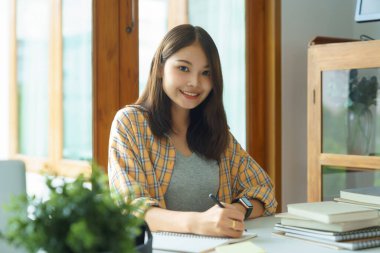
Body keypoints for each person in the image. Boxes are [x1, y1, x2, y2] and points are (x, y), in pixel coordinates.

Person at [108, 24, 277, 238]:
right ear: (160, 68)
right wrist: (197, 222)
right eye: (184, 68)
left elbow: (263, 190)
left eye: (206, 73)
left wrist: (240, 209)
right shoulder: (130, 124)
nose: (195, 83)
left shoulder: (216, 131)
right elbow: (131, 209)